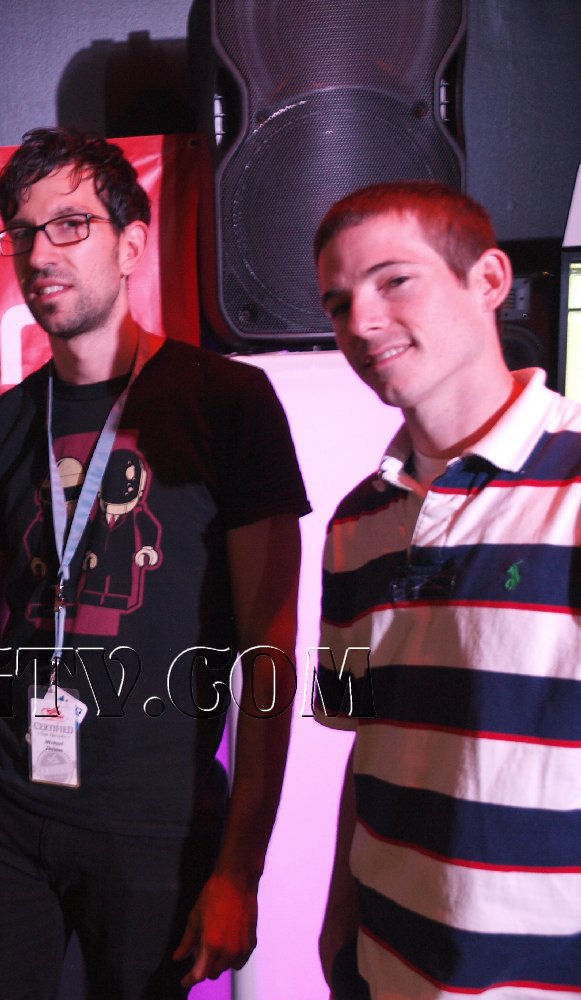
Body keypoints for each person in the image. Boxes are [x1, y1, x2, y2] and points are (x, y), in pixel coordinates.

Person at [0, 127, 310, 998]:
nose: (39, 253)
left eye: (69, 224)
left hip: (153, 825)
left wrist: (241, 869)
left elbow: (268, 652)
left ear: (130, 245)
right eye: (22, 231)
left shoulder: (227, 402)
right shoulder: (3, 427)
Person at [312, 182, 581, 998]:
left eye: (393, 280)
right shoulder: (353, 522)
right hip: (385, 967)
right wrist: (336, 926)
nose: (361, 323)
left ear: (488, 280)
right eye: (338, 303)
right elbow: (362, 736)